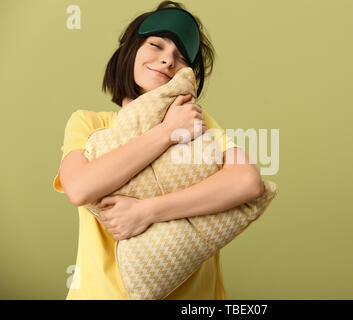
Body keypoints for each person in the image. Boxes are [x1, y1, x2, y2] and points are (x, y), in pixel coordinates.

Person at [52, 1, 264, 300]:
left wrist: (145, 211)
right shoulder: (90, 123)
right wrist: (166, 132)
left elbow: (247, 182)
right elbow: (80, 188)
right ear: (131, 50)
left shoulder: (195, 121)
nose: (167, 61)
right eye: (156, 45)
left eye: (179, 57)